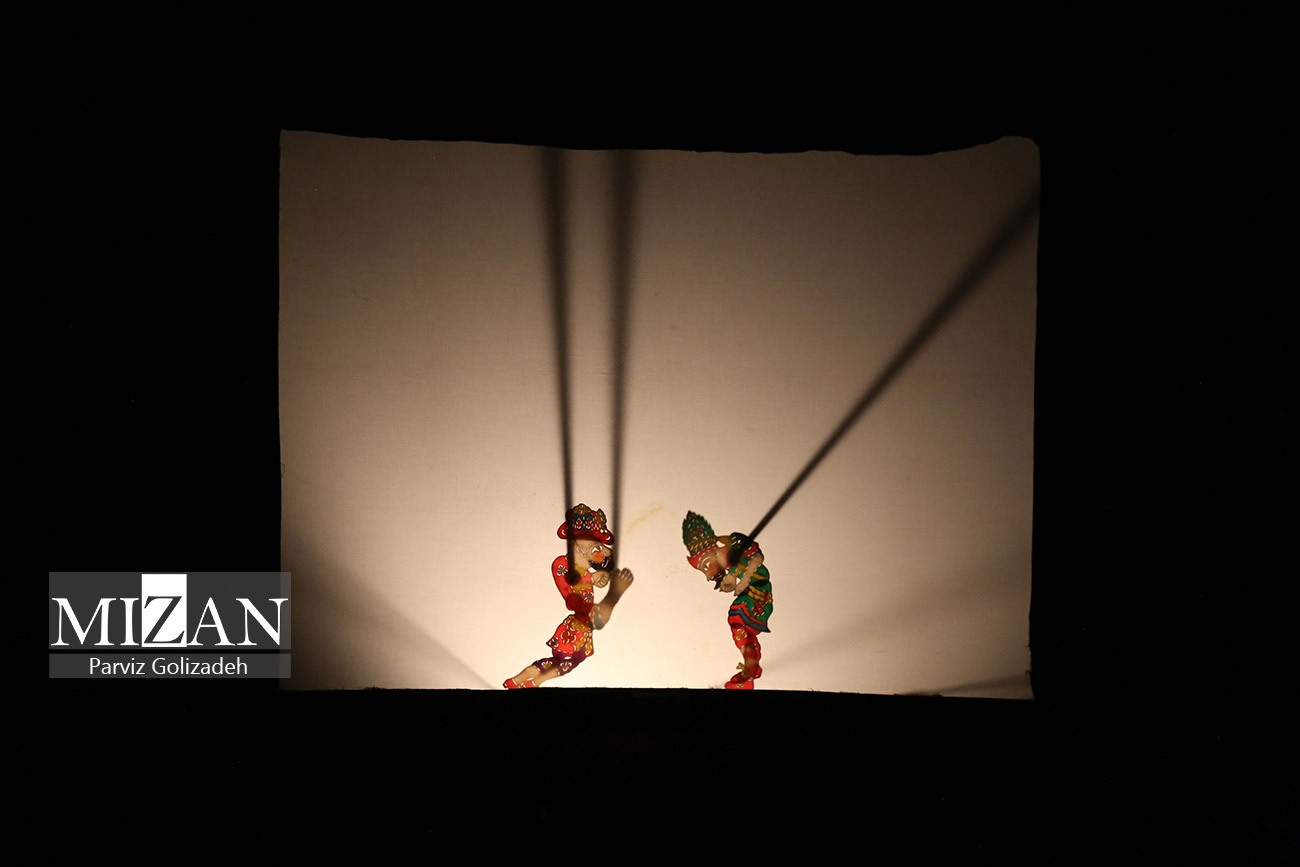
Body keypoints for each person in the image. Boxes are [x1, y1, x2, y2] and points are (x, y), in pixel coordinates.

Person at [504, 504, 634, 688]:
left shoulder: (583, 569)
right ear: (577, 545)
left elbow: (605, 559)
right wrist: (597, 582)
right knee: (566, 663)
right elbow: (570, 591)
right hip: (577, 626)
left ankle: (518, 681)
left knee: (558, 662)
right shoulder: (563, 565)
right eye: (595, 546)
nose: (602, 551)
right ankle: (532, 683)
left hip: (582, 625)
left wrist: (596, 577)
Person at [682, 511, 772, 689]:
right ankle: (751, 665)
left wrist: (742, 579)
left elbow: (757, 558)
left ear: (713, 552)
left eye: (706, 565)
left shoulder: (735, 544)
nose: (708, 575)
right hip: (751, 591)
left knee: (737, 621)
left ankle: (750, 666)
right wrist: (733, 577)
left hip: (758, 590)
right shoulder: (729, 560)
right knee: (741, 627)